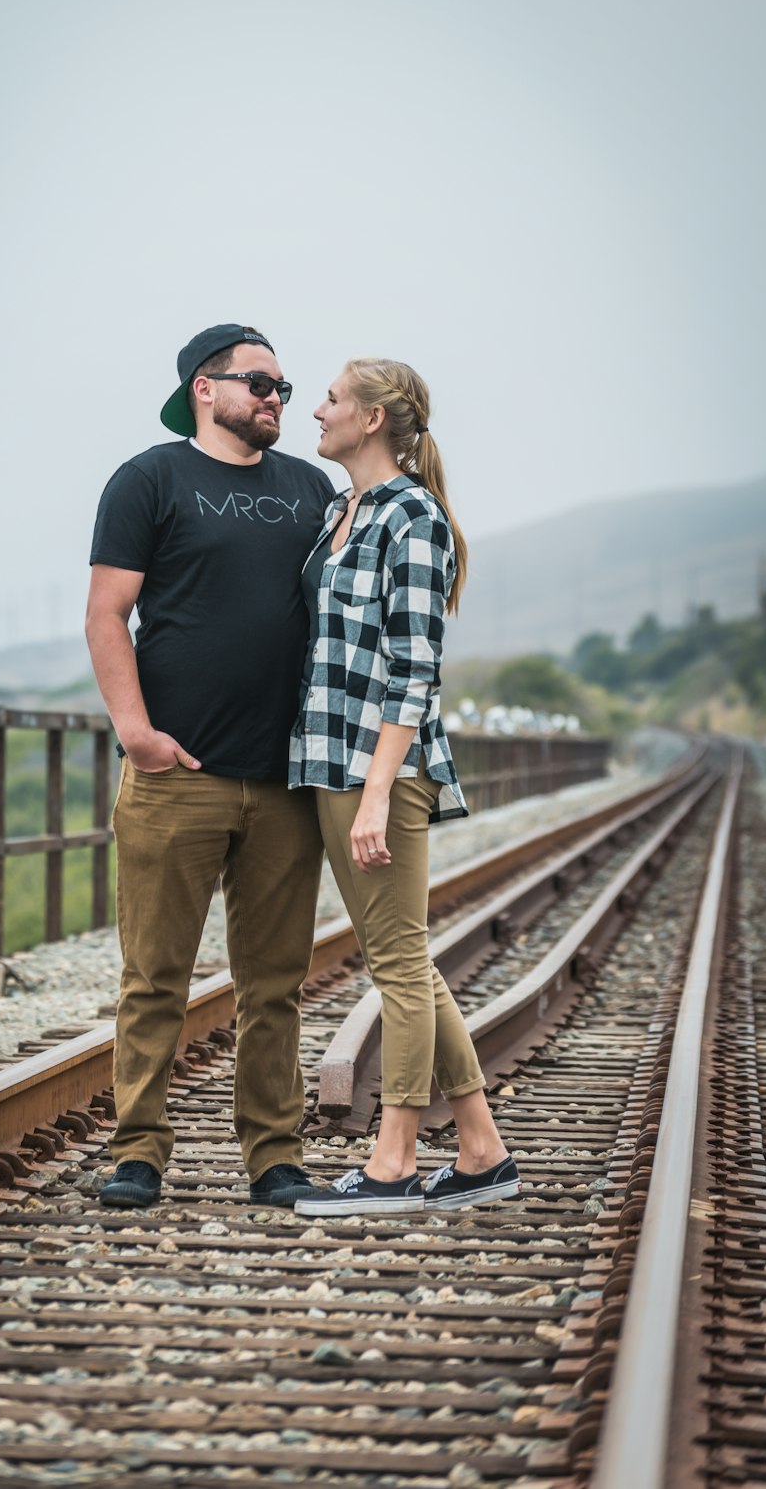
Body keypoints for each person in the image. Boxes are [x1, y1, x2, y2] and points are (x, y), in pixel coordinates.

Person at [86, 324, 335, 1210]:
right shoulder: (149, 479)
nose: (276, 399)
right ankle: (138, 1153)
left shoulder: (314, 489)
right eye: (259, 383)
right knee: (156, 978)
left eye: (284, 388)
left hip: (284, 781)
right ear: (205, 386)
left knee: (275, 985)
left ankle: (274, 1155)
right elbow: (107, 614)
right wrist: (135, 731)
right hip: (173, 773)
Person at [289, 357, 520, 1217]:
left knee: (396, 964)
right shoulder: (340, 512)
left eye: (333, 399)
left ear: (376, 418)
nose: (317, 410)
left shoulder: (411, 518)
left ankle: (391, 1162)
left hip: (377, 767)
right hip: (328, 761)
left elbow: (415, 664)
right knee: (408, 961)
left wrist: (380, 789)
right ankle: (482, 1150)